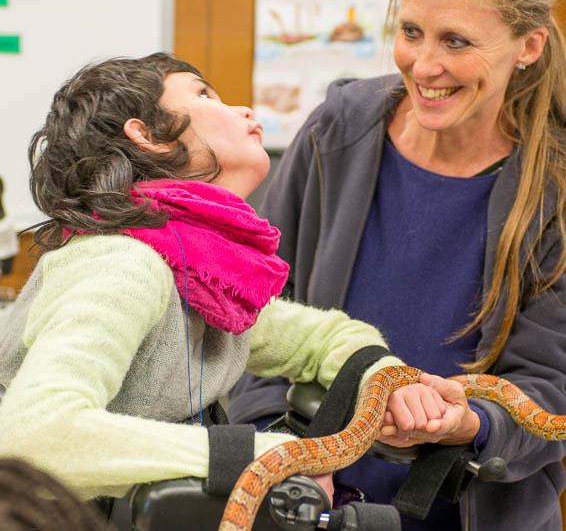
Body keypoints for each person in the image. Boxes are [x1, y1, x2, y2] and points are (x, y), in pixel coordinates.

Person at [0, 52, 432, 507]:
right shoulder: (121, 262)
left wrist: (389, 379)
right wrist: (263, 455)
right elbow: (37, 435)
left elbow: (321, 338)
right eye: (204, 94)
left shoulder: (194, 269)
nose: (243, 110)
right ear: (147, 135)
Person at [228, 0, 566, 529]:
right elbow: (252, 308)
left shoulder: (552, 188)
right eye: (411, 32)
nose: (423, 65)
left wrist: (472, 423)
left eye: (455, 40)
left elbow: (549, 392)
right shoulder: (337, 131)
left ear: (528, 46)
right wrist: (279, 449)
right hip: (308, 505)